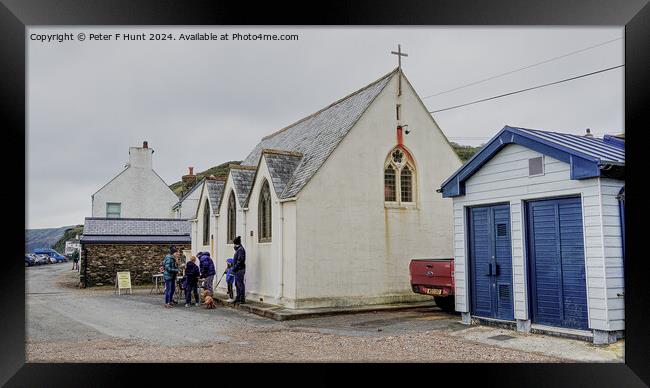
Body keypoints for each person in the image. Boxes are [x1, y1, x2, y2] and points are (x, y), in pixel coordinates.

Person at [231, 236, 246, 305]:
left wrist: (234, 268)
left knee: (240, 284)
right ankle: (238, 297)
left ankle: (241, 298)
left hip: (239, 269)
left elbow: (240, 261)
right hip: (238, 269)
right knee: (237, 284)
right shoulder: (239, 249)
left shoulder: (240, 250)